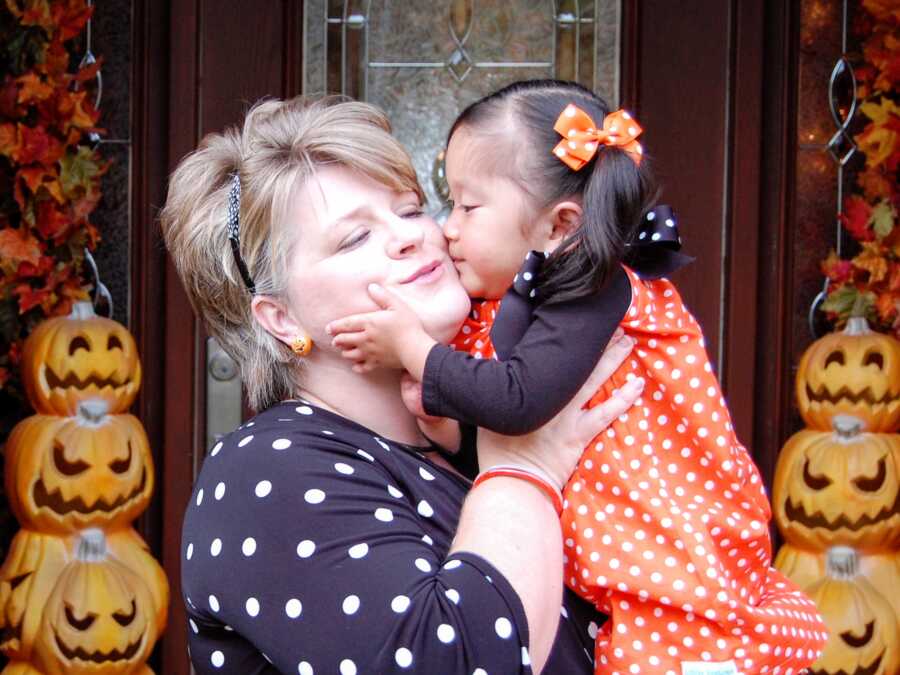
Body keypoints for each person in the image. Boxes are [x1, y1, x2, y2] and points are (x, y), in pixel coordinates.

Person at [327, 80, 828, 674]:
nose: (448, 226)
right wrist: (450, 433)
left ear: (559, 226)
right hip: (629, 564)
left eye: (467, 204)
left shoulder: (594, 288)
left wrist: (412, 348)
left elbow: (519, 404)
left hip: (672, 560)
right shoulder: (526, 298)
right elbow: (513, 442)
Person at [163, 95, 645, 675]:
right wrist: (525, 467)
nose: (412, 236)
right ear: (281, 318)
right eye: (353, 239)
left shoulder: (463, 439)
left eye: (412, 210)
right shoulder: (264, 471)